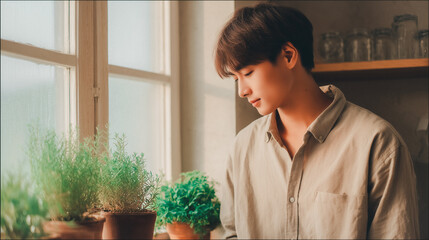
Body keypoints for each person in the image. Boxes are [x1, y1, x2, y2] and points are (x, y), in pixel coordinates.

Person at [214, 2, 420, 239]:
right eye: (235, 78)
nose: (242, 91)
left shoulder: (378, 143)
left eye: (248, 73)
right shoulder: (243, 147)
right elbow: (231, 233)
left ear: (288, 55)